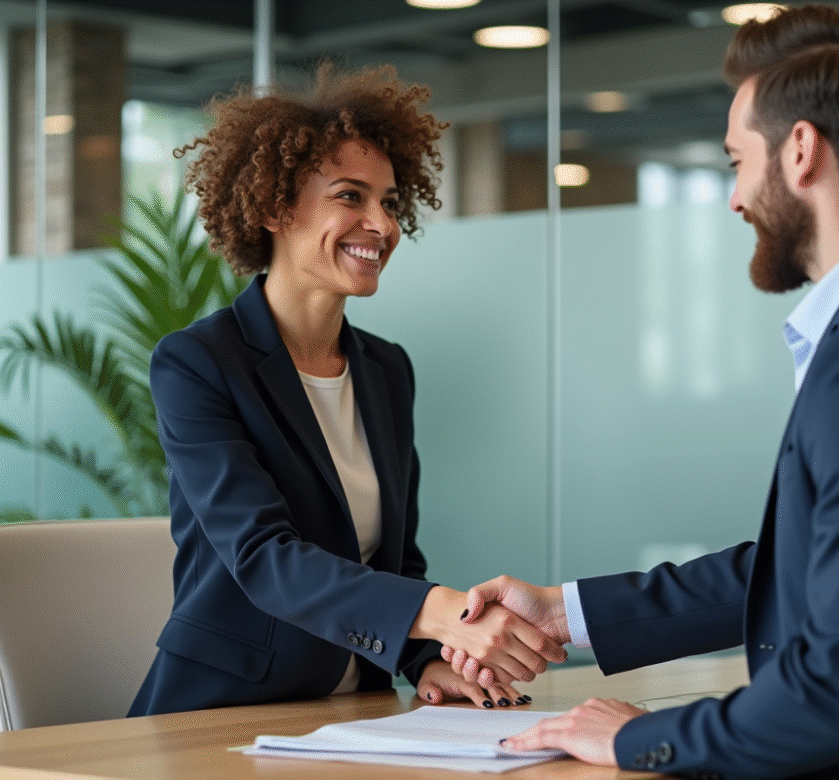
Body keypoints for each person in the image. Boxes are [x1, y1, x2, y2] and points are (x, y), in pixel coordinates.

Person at [446, 4, 839, 777]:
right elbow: (827, 567)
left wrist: (634, 738)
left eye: (735, 162)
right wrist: (567, 612)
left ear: (801, 151)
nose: (735, 198)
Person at [128, 63, 564, 717]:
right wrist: (441, 613)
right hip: (220, 712)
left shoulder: (386, 370)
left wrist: (429, 658)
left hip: (357, 709)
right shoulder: (197, 362)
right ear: (276, 207)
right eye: (350, 196)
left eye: (389, 202)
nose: (383, 226)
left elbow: (394, 560)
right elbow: (262, 558)